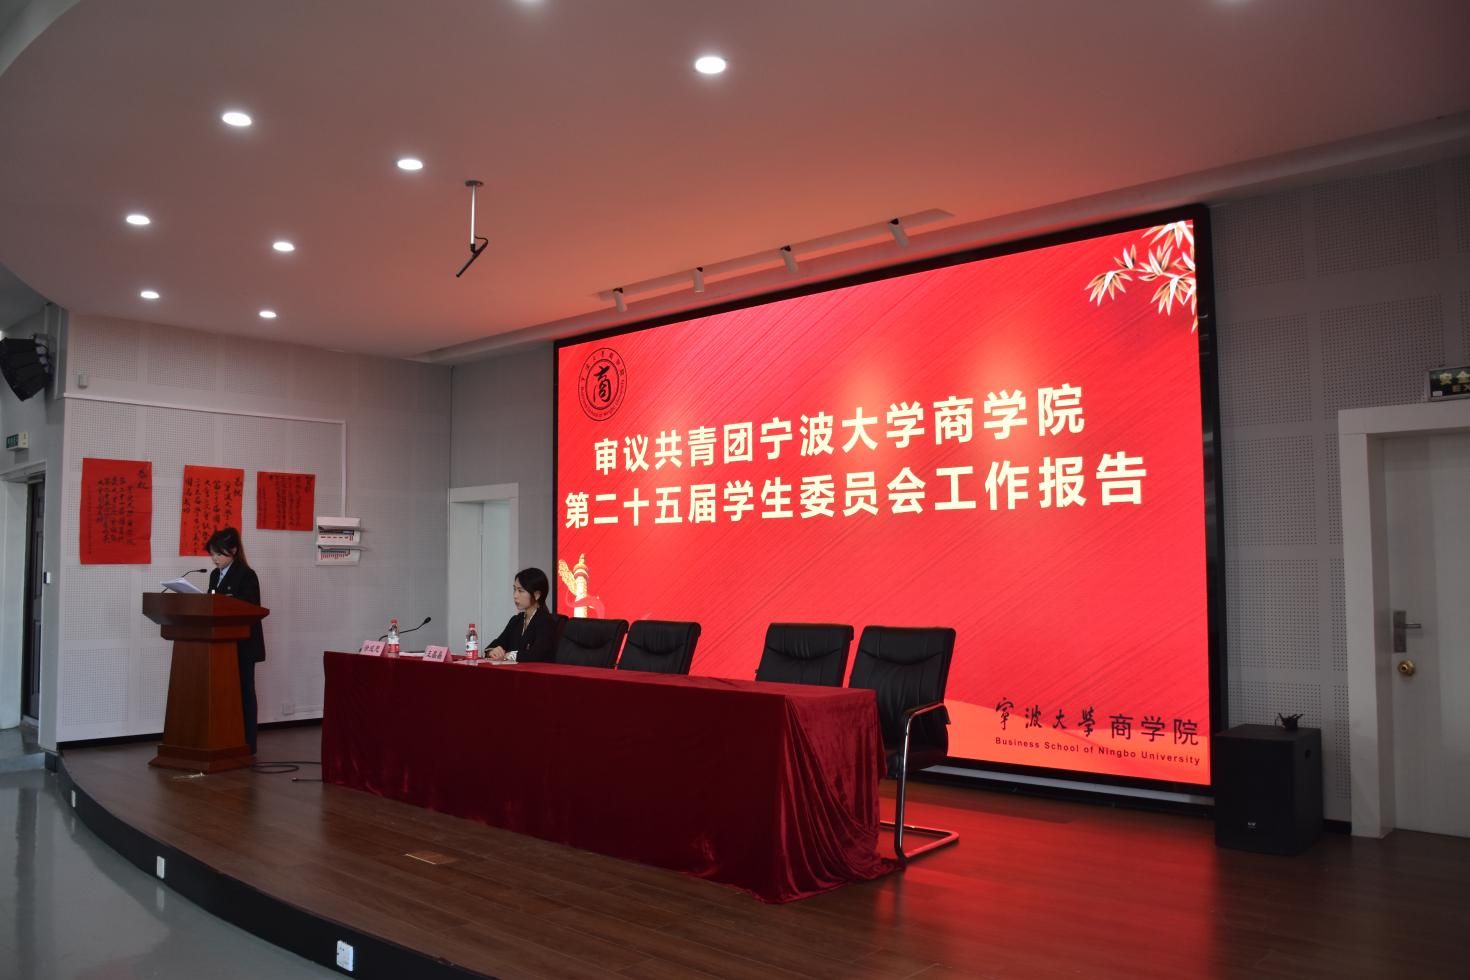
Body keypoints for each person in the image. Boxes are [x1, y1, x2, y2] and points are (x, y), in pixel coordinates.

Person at [205, 527, 265, 754]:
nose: (214, 559)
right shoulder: (214, 575)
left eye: (218, 554)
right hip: (220, 644)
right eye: (212, 554)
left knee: (245, 690)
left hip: (243, 643)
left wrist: (227, 601)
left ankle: (248, 743)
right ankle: (225, 739)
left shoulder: (246, 574)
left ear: (233, 551)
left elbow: (251, 608)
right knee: (223, 692)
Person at [485, 567, 556, 663]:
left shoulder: (546, 621)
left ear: (536, 595)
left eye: (520, 591)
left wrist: (508, 655)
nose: (515, 595)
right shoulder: (516, 620)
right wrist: (492, 652)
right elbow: (495, 644)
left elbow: (536, 655)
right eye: (514, 590)